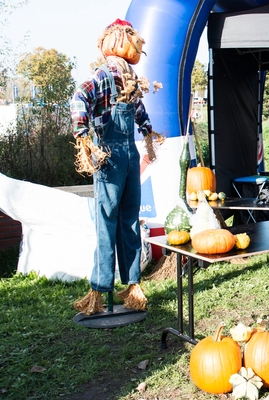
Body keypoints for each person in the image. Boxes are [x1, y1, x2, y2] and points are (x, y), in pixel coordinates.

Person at [70, 18, 161, 315]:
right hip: (117, 155)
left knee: (114, 221)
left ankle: (119, 287)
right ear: (121, 39)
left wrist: (147, 134)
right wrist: (84, 137)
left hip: (117, 157)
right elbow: (80, 98)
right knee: (123, 222)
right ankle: (113, 288)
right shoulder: (113, 76)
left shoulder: (121, 77)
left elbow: (136, 111)